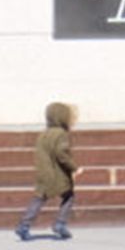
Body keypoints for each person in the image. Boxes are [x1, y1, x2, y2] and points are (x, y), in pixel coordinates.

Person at [16, 102, 80, 242]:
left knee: (38, 198)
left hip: (44, 173)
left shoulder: (43, 135)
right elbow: (61, 154)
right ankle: (60, 223)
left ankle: (24, 225)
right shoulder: (61, 134)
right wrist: (74, 168)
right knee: (68, 196)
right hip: (57, 175)